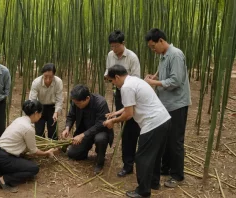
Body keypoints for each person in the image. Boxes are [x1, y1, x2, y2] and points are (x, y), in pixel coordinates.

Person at [103, 65, 171, 198]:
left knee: (142, 158)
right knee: (155, 155)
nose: (113, 84)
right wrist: (115, 113)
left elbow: (128, 114)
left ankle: (143, 191)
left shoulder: (126, 87)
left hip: (153, 124)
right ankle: (154, 183)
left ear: (117, 77)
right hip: (164, 120)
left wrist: (113, 121)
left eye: (112, 81)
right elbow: (132, 104)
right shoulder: (134, 80)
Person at [144, 28, 191, 188]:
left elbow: (175, 81)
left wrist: (154, 83)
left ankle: (177, 175)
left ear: (161, 41)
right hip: (165, 103)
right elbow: (165, 75)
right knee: (165, 138)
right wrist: (155, 77)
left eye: (153, 46)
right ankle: (166, 168)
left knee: (175, 140)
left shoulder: (176, 54)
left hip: (177, 104)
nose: (153, 49)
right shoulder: (163, 56)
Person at [0, 100, 57, 193]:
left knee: (24, 162)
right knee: (33, 169)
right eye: (40, 113)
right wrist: (46, 153)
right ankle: (5, 179)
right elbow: (33, 151)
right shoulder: (28, 128)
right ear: (36, 113)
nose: (41, 116)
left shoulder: (19, 119)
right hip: (4, 158)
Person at [105, 29, 141, 177]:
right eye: (111, 46)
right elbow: (107, 72)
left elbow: (136, 79)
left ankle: (137, 161)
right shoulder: (110, 55)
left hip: (132, 93)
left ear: (123, 44)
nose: (113, 49)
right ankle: (128, 164)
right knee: (125, 130)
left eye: (116, 46)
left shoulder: (132, 57)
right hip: (119, 93)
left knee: (133, 128)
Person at [61, 84, 113, 174]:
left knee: (100, 139)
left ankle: (100, 161)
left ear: (87, 98)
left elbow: (100, 124)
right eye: (75, 103)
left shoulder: (100, 102)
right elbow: (71, 116)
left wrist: (82, 135)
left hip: (100, 131)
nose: (76, 105)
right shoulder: (75, 101)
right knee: (73, 154)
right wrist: (67, 128)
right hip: (84, 131)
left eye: (78, 103)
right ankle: (84, 149)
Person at [29, 63, 63, 140]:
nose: (48, 80)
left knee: (52, 131)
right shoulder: (36, 82)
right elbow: (32, 99)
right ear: (42, 74)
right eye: (45, 77)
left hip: (52, 108)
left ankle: (53, 148)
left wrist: (56, 112)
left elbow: (59, 99)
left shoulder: (58, 82)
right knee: (39, 132)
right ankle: (42, 150)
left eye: (50, 77)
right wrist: (34, 112)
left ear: (54, 75)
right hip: (39, 107)